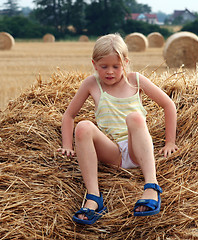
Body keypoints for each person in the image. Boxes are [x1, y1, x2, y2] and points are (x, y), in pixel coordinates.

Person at [57, 33, 178, 225]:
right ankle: (94, 198)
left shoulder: (135, 80)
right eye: (104, 66)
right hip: (113, 153)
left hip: (137, 150)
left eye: (116, 66)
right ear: (94, 64)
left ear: (125, 62)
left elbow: (168, 105)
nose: (110, 72)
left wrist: (170, 141)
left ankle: (151, 186)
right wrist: (67, 145)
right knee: (83, 126)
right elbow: (69, 115)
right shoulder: (91, 83)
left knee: (135, 117)